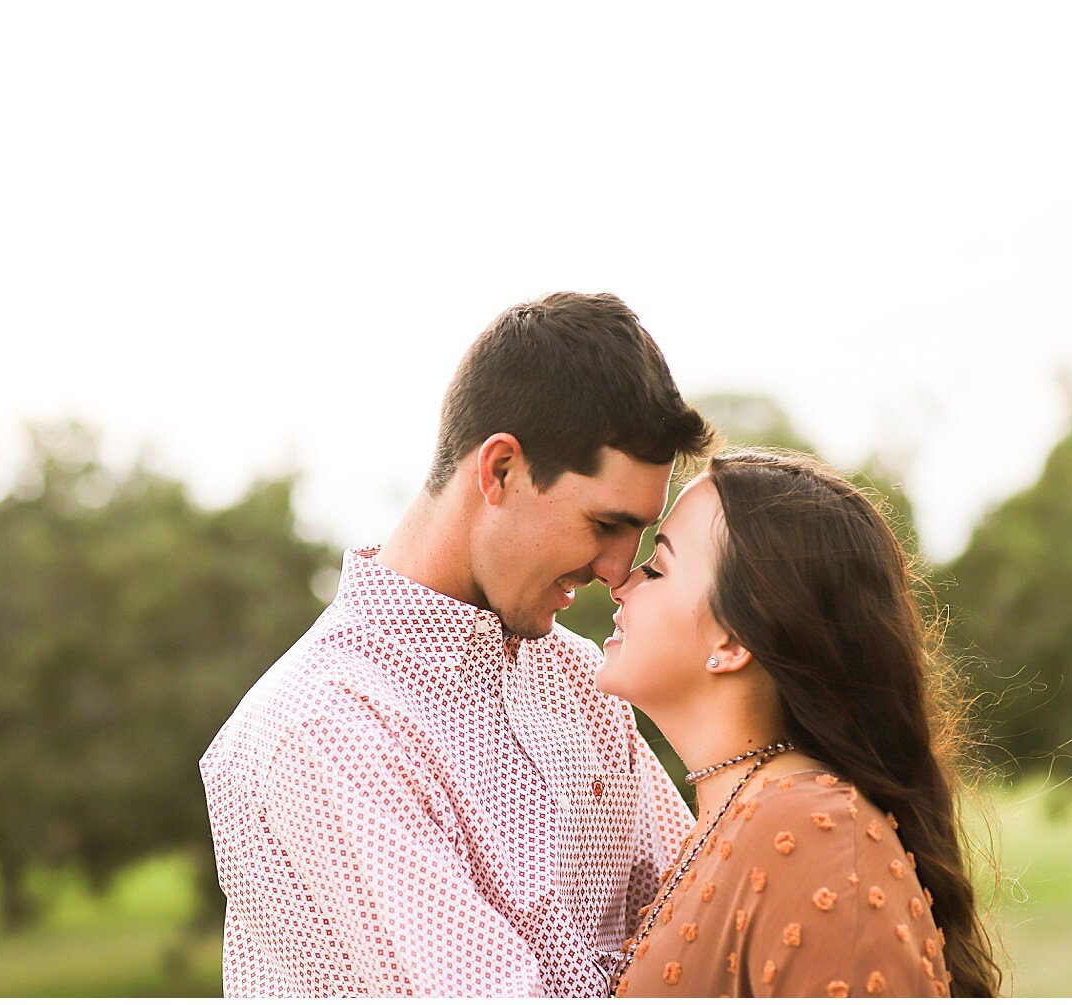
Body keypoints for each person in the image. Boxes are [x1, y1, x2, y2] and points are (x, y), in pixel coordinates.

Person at [199, 292, 714, 996]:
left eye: (639, 535)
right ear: (499, 468)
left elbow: (705, 926)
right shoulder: (323, 728)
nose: (619, 571)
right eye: (604, 525)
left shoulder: (581, 679)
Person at [597, 450, 1001, 997]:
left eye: (657, 568)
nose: (620, 583)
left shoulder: (814, 832)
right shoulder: (732, 822)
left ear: (733, 640)